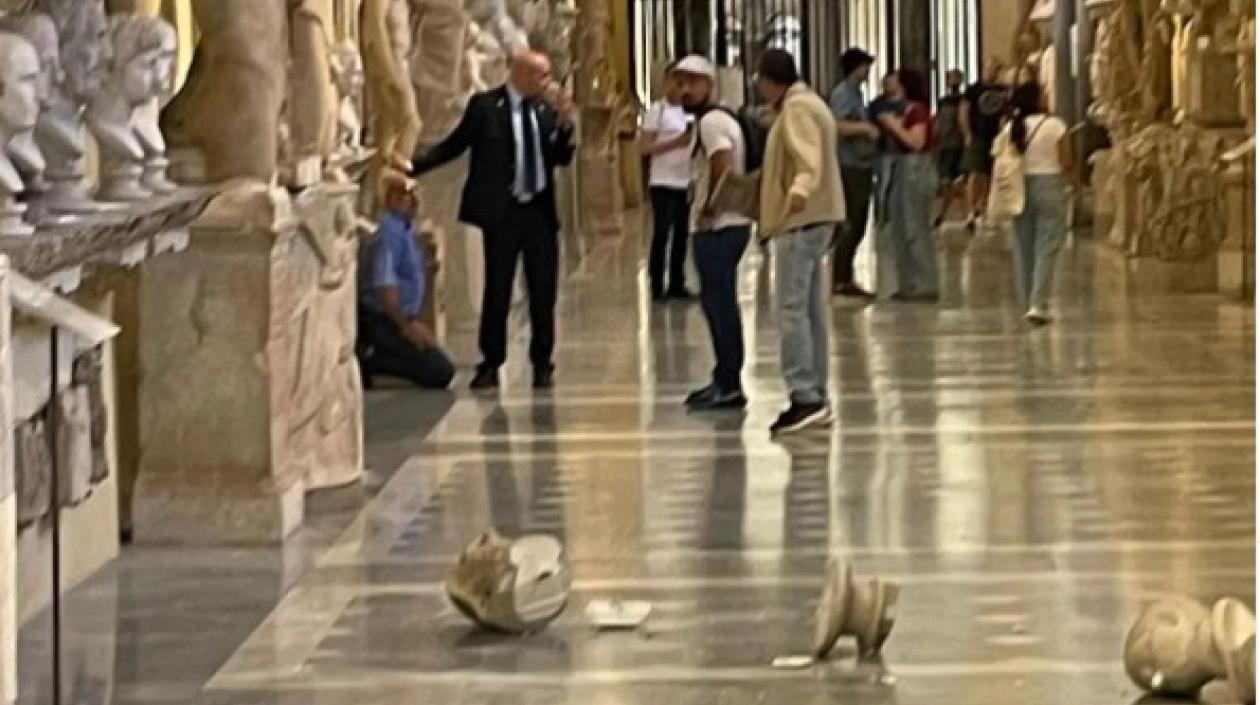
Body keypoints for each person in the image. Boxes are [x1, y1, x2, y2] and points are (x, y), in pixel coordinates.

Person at [408, 50, 575, 391]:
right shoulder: (485, 107)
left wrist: (565, 127)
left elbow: (560, 158)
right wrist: (413, 165)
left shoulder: (545, 111)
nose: (547, 83)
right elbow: (455, 145)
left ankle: (542, 362)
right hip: (503, 213)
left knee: (543, 290)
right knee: (497, 288)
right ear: (520, 74)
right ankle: (491, 362)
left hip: (539, 214)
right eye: (540, 76)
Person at [756, 49, 846, 435]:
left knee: (791, 310)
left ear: (768, 80)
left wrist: (798, 191)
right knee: (810, 311)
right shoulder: (812, 103)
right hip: (815, 220)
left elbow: (808, 160)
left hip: (800, 221)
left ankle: (804, 395)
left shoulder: (797, 110)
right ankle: (815, 393)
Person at [675, 54, 753, 412]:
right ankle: (725, 376)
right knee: (720, 302)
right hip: (731, 224)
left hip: (719, 226)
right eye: (680, 83)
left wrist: (710, 208)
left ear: (710, 85)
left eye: (693, 82)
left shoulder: (711, 123)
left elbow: (721, 163)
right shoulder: (721, 119)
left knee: (718, 303)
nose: (685, 89)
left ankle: (728, 382)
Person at [357, 173, 456, 389]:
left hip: (403, 317)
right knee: (439, 371)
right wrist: (406, 326)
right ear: (391, 200)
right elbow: (385, 286)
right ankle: (369, 360)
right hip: (384, 320)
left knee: (440, 362)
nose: (413, 201)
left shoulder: (406, 228)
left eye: (413, 195)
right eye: (404, 196)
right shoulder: (390, 231)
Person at [1000, 81, 1075, 326]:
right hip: (1050, 184)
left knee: (1023, 246)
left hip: (1021, 187)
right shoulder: (1055, 126)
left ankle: (1027, 300)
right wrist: (1074, 184)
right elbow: (1067, 160)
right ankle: (1038, 302)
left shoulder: (1012, 127)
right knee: (1048, 245)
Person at [878, 67, 939, 301]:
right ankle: (909, 281)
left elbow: (916, 141)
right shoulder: (907, 110)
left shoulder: (918, 110)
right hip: (902, 169)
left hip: (915, 168)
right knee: (901, 226)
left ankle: (924, 281)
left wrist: (894, 125)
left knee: (915, 226)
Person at [828, 47, 880, 299]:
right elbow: (837, 125)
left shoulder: (856, 94)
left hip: (860, 164)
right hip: (849, 165)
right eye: (865, 66)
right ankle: (840, 278)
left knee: (858, 222)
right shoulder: (843, 95)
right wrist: (865, 128)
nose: (868, 72)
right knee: (851, 222)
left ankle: (844, 275)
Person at [640, 61, 695, 301]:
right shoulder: (657, 112)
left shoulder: (690, 112)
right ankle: (656, 284)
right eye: (677, 82)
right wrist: (675, 142)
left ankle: (677, 280)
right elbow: (644, 147)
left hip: (685, 180)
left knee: (683, 233)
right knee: (663, 233)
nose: (681, 88)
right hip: (663, 181)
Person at [960, 57, 1009, 230]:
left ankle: (982, 206)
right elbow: (964, 111)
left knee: (990, 173)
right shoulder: (973, 90)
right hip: (978, 135)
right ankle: (971, 210)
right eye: (989, 68)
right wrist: (967, 133)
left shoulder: (1003, 90)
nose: (991, 71)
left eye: (995, 68)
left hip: (996, 136)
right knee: (975, 172)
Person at [935, 68, 966, 228]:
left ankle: (964, 213)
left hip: (953, 143)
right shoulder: (944, 101)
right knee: (949, 180)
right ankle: (949, 213)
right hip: (948, 143)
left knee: (955, 180)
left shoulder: (961, 100)